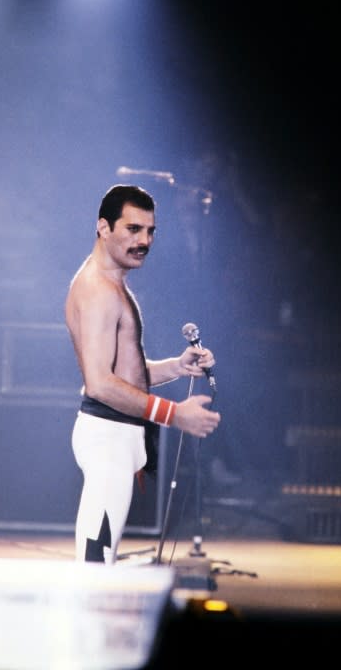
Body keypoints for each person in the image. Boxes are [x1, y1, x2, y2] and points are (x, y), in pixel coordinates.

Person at [64, 184, 220, 564]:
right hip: (107, 439)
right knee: (95, 566)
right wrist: (175, 413)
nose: (144, 241)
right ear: (103, 227)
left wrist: (176, 366)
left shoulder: (113, 283)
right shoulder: (98, 290)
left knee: (103, 562)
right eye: (133, 229)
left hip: (117, 437)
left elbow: (124, 373)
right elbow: (101, 384)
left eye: (150, 231)